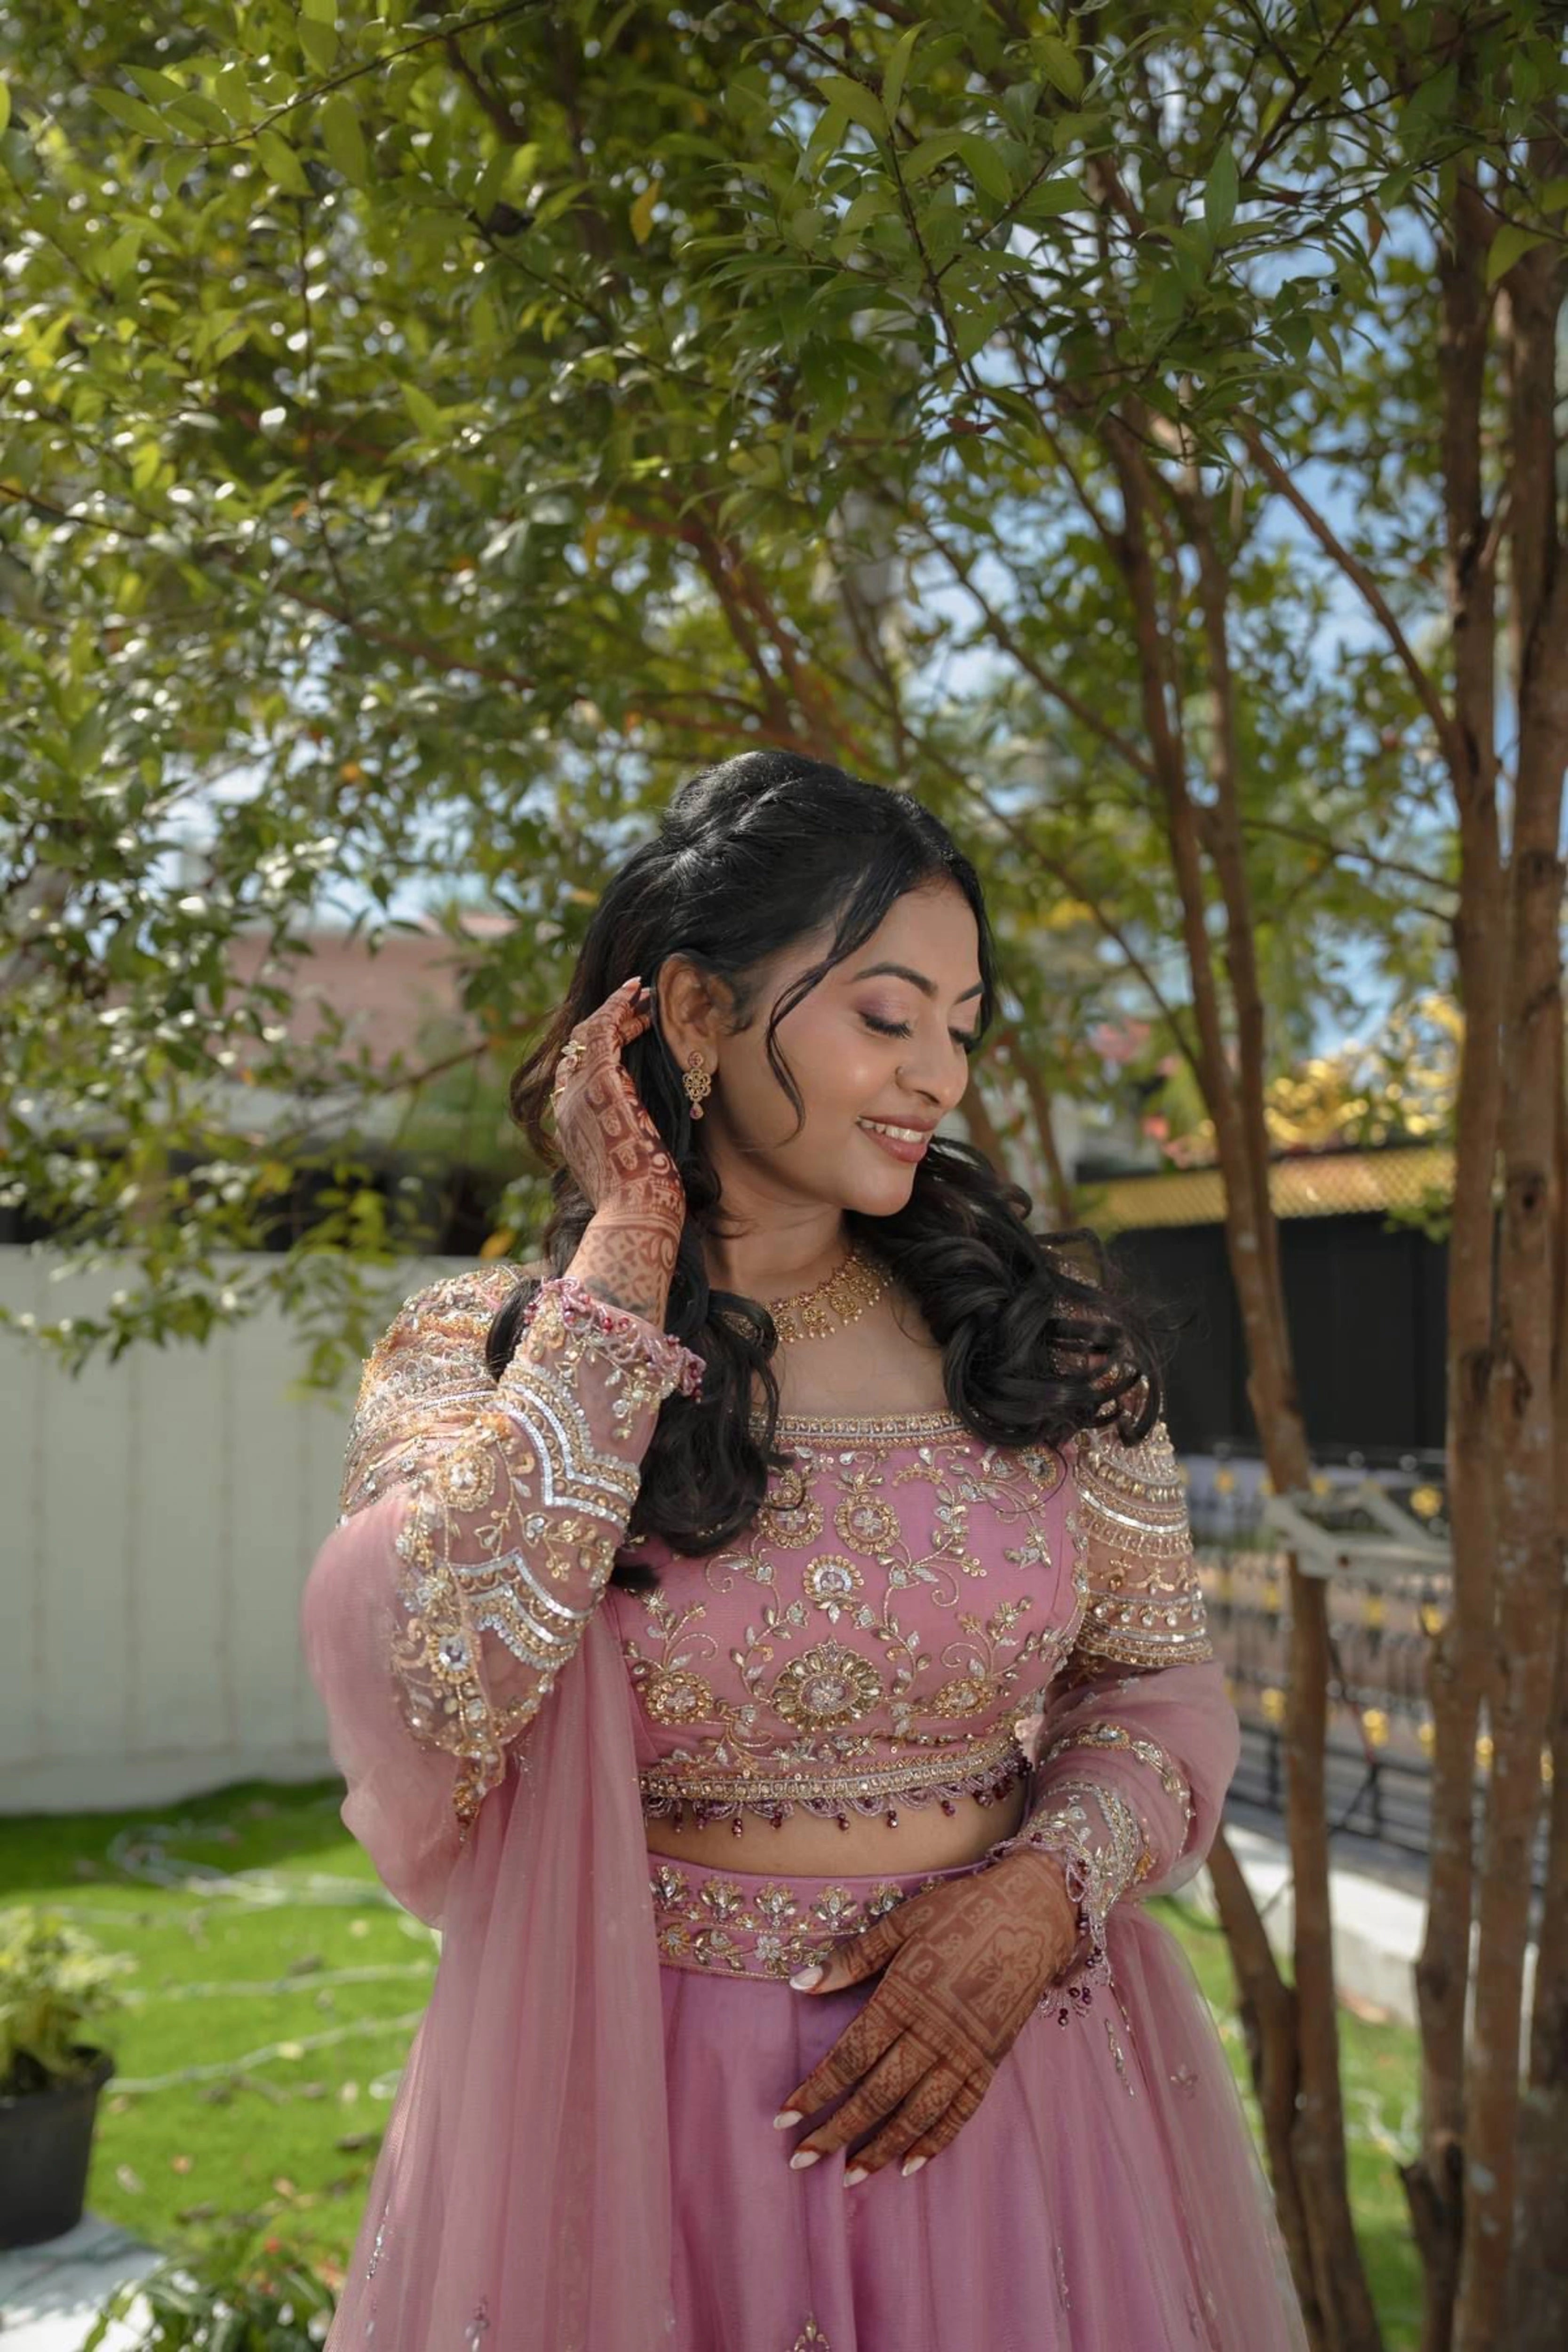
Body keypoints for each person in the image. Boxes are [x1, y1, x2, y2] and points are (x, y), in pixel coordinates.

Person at [301, 752, 1309, 2350]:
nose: (938, 1079)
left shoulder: (1033, 1351)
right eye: (887, 1017)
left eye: (963, 1030)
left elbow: (1161, 1695)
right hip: (652, 2118)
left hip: (1008, 2087)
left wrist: (1047, 1894)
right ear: (696, 1015)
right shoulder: (480, 1360)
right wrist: (626, 1263)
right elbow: (450, 1678)